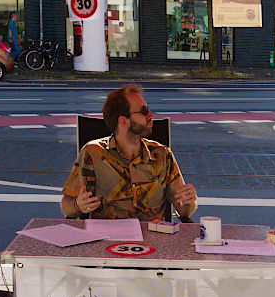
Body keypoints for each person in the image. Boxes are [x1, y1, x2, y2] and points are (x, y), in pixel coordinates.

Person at [61, 84, 197, 221]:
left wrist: (189, 202)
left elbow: (185, 211)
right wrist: (77, 205)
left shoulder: (162, 155)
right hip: (108, 237)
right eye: (144, 111)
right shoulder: (93, 153)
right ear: (124, 121)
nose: (151, 115)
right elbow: (66, 206)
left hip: (154, 237)